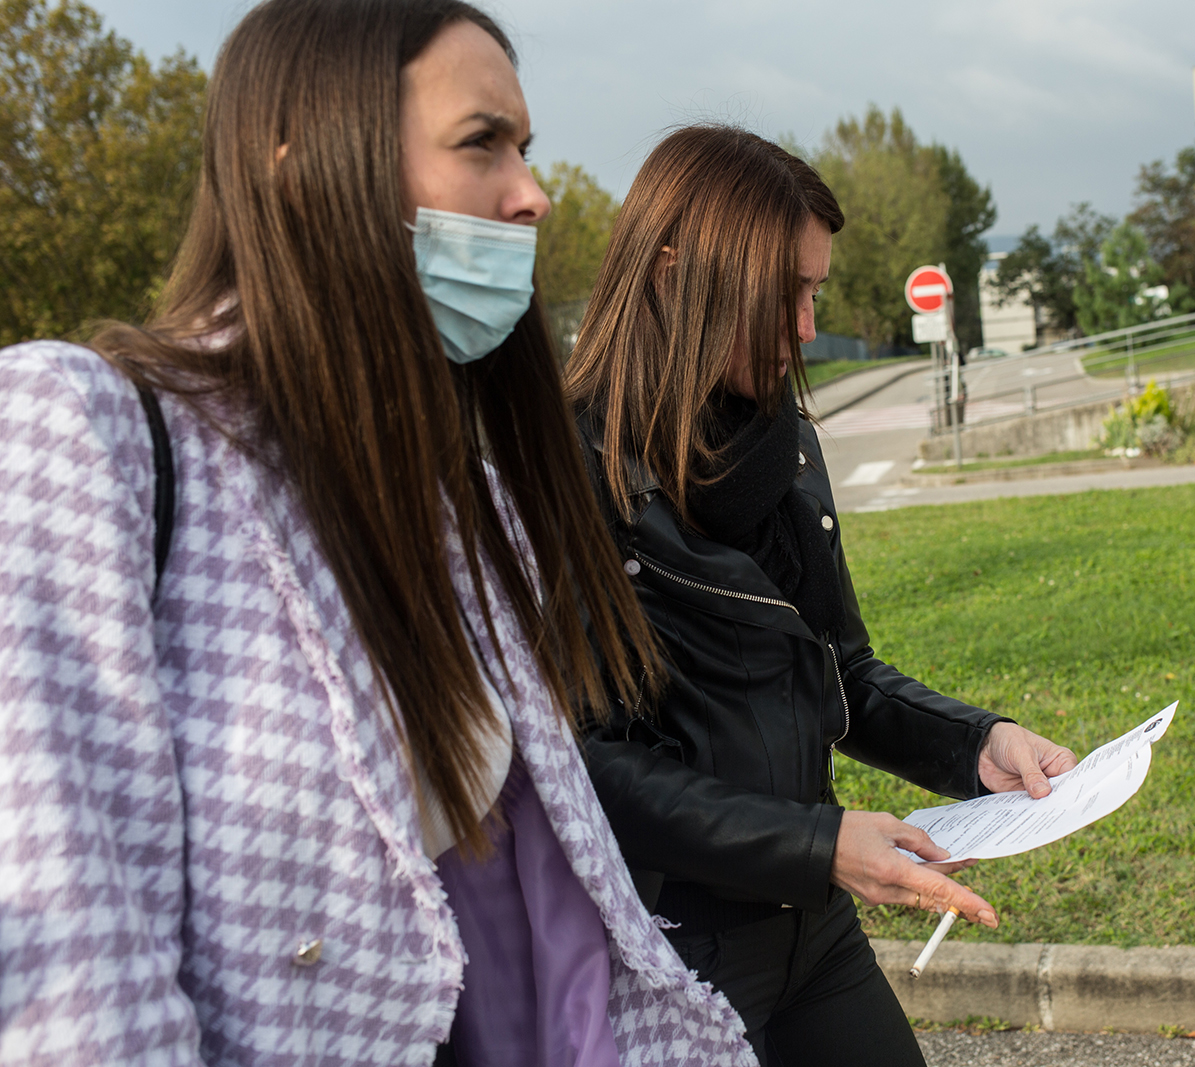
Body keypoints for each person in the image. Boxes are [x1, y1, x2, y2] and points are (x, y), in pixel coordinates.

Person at [0, 3, 753, 1065]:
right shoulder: (83, 436)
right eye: (480, 141)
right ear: (301, 169)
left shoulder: (478, 503)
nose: (533, 193)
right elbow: (75, 988)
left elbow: (545, 928)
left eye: (525, 148)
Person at [565, 125, 1078, 1067]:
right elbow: (585, 765)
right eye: (785, 293)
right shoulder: (566, 471)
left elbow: (839, 671)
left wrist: (977, 744)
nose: (806, 327)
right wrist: (816, 843)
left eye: (815, 293)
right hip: (670, 945)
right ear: (676, 275)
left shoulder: (786, 446)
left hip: (816, 928)